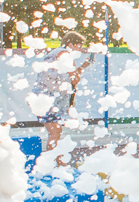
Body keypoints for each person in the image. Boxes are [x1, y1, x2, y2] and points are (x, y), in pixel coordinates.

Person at [31, 31, 94, 161]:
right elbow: (75, 79)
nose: (81, 49)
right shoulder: (65, 55)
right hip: (46, 99)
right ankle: (53, 162)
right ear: (71, 44)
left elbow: (72, 77)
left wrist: (84, 65)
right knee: (55, 132)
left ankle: (56, 162)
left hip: (42, 98)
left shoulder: (55, 53)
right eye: (79, 46)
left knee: (56, 131)